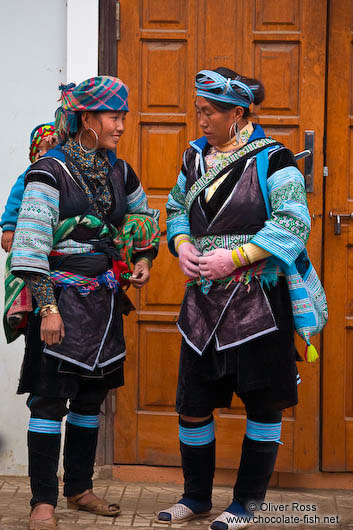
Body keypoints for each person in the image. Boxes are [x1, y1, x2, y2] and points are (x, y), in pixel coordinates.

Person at [156, 67, 310, 530]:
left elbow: (293, 223)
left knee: (262, 404)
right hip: (202, 301)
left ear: (237, 113)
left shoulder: (275, 160)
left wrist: (236, 257)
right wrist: (182, 245)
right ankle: (196, 497)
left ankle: (247, 503)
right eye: (198, 110)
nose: (200, 119)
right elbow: (177, 209)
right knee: (193, 402)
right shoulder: (193, 159)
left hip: (258, 302)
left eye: (209, 112)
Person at [9, 76, 160, 530]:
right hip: (58, 300)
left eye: (122, 118)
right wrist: (48, 309)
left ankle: (79, 488)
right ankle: (42, 502)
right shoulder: (48, 172)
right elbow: (30, 247)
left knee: (91, 398)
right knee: (49, 400)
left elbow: (142, 217)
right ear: (87, 119)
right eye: (114, 117)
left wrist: (144, 257)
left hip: (104, 303)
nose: (120, 126)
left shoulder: (119, 170)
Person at [1, 123, 58, 252]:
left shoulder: (66, 173)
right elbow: (14, 201)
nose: (42, 154)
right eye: (38, 150)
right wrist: (9, 228)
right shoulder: (30, 174)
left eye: (49, 149)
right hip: (33, 234)